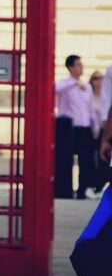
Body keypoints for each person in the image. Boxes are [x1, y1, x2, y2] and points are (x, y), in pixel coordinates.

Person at [56, 55, 95, 199]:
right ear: (71, 67)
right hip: (68, 127)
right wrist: (73, 83)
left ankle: (82, 191)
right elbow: (55, 89)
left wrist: (94, 125)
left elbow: (90, 108)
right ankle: (64, 191)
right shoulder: (65, 84)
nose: (81, 67)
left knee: (85, 161)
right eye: (78, 64)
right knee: (66, 161)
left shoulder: (87, 87)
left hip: (84, 128)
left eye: (81, 64)